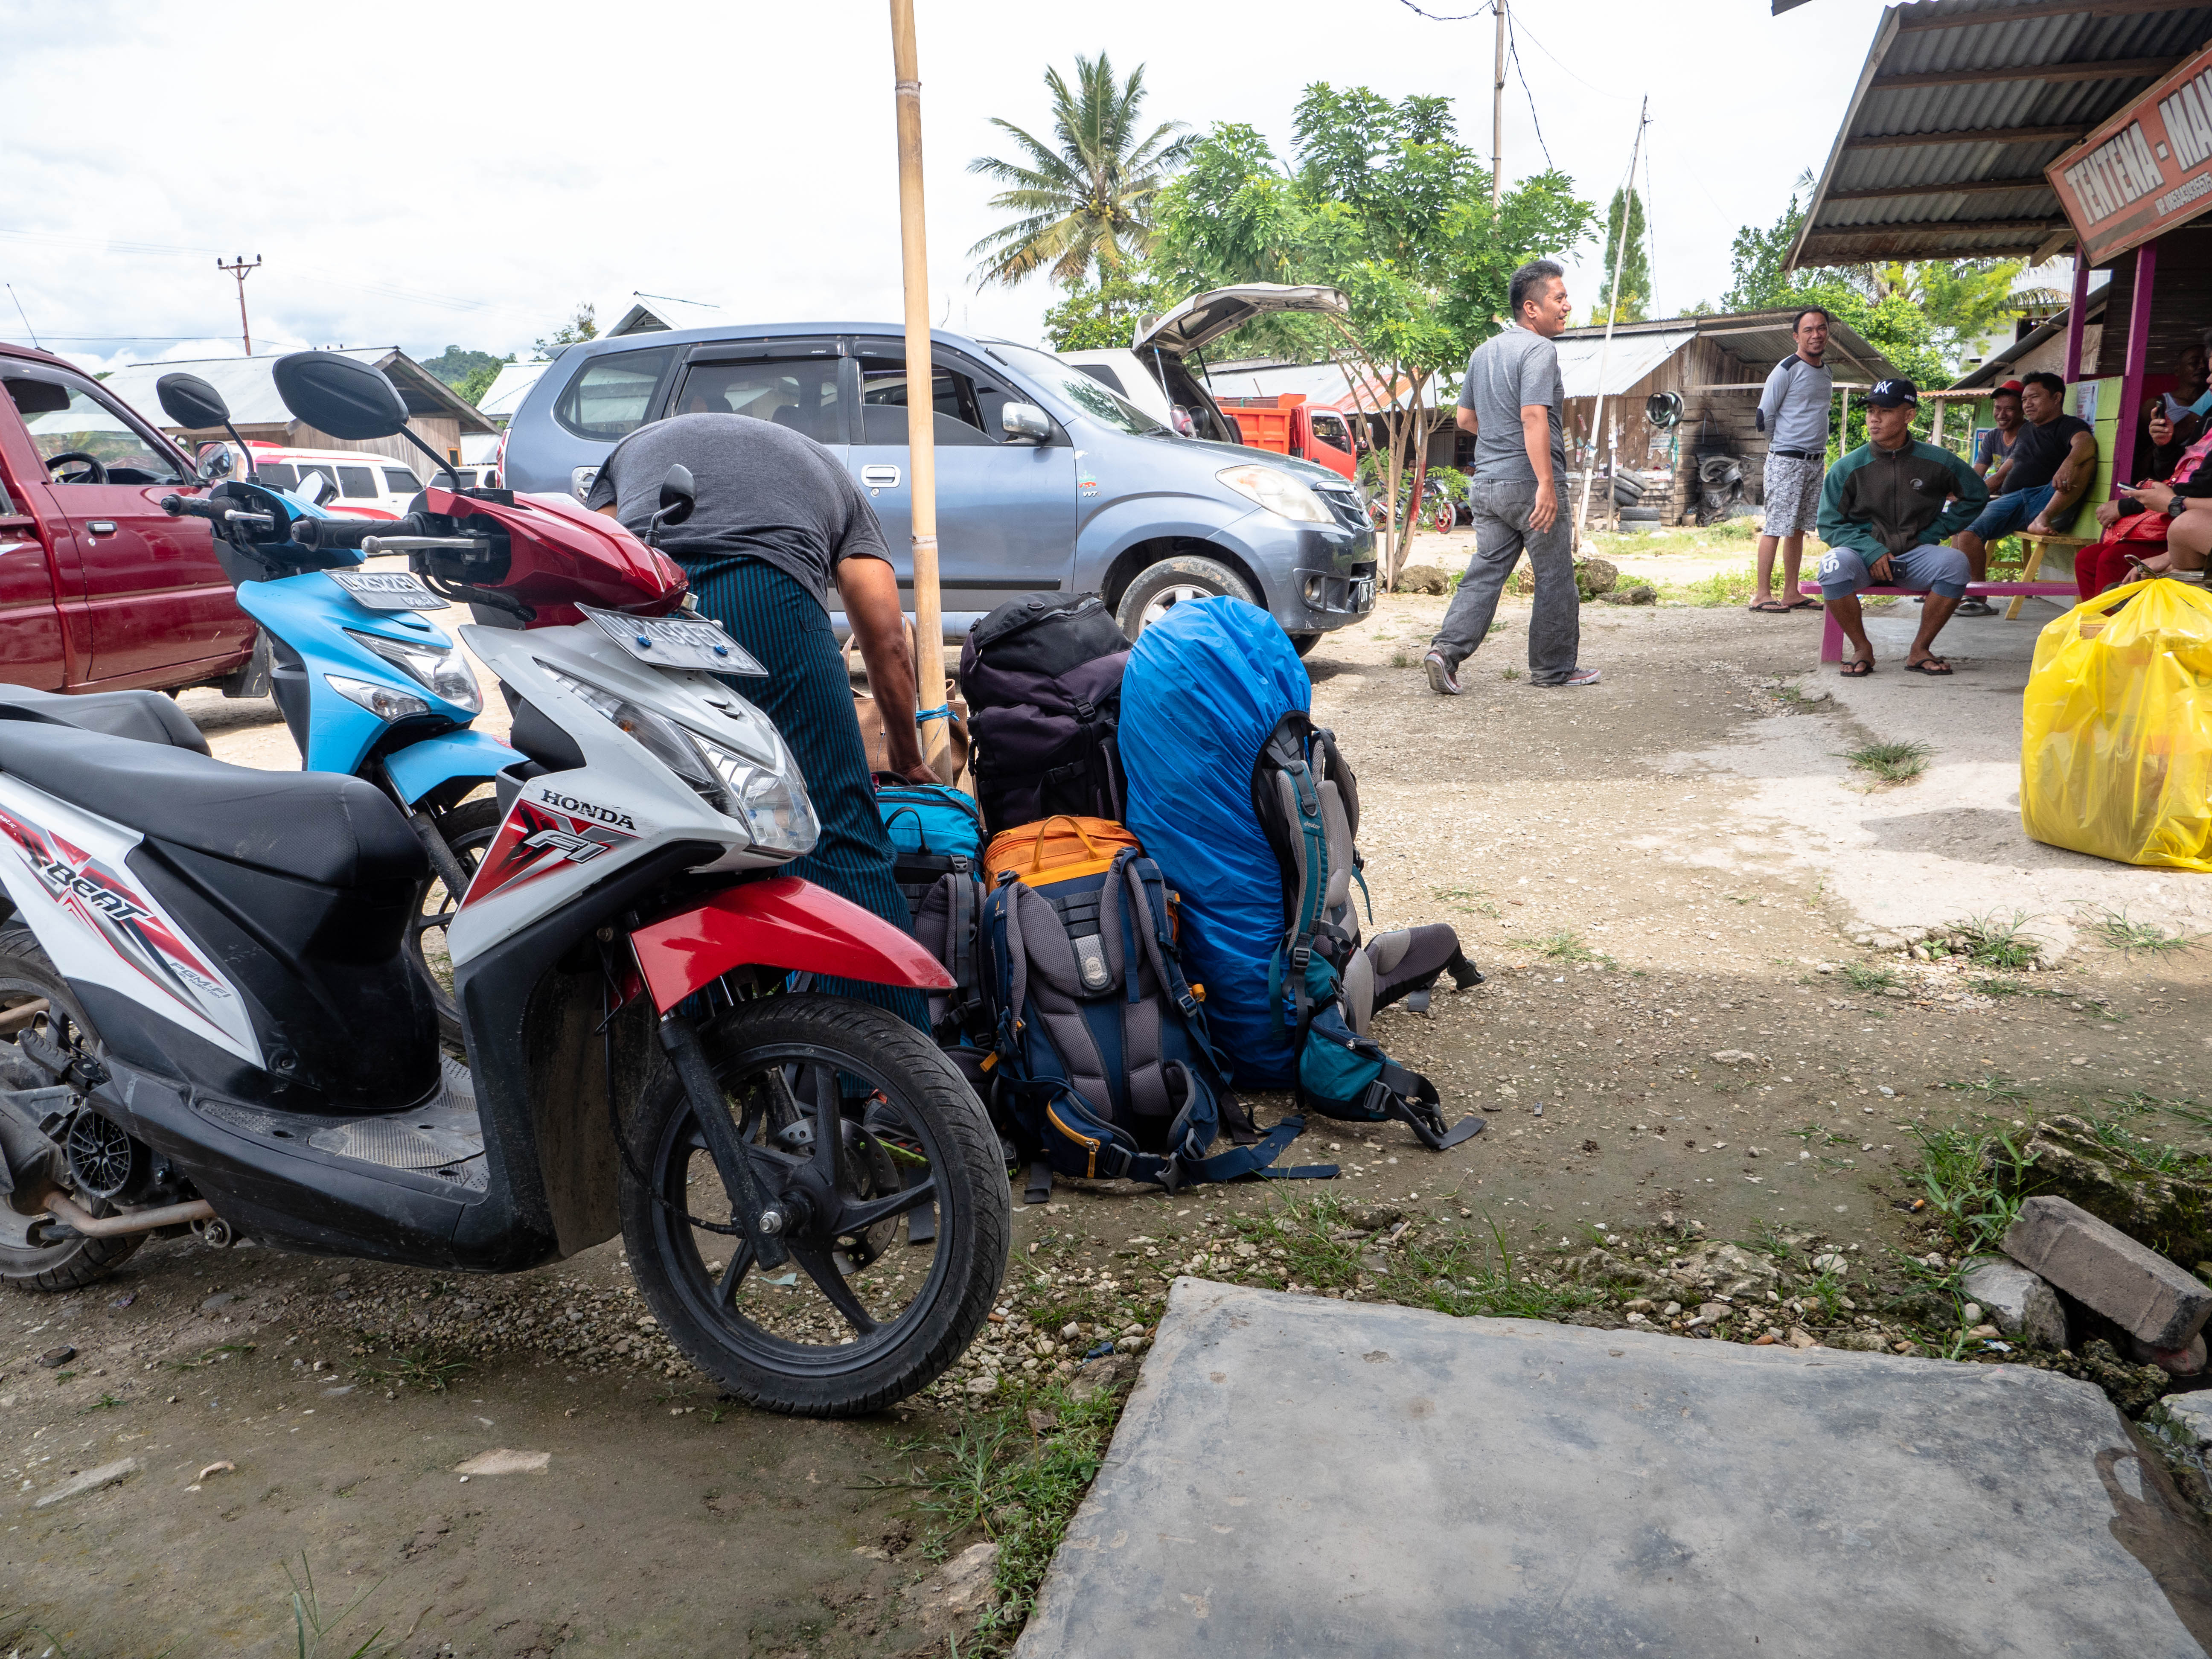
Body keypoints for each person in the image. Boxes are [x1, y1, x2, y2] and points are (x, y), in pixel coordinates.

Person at [587, 410, 935, 1030]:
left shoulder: (630, 450)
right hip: (766, 599)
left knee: (674, 836)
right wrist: (908, 760)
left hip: (645, 608)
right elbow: (887, 639)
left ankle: (701, 1056)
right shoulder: (833, 477)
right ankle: (889, 1067)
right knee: (836, 833)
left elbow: (594, 555)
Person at [1425, 258, 1599, 692]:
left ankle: (1445, 652)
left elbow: (1465, 419)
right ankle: (1553, 670)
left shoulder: (1483, 353)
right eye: (1560, 298)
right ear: (1532, 308)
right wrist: (1546, 484)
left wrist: (1501, 439)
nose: (1567, 306)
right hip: (1529, 485)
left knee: (1486, 572)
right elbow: (1533, 416)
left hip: (1487, 484)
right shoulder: (1539, 350)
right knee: (1555, 575)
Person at [1814, 379, 1988, 677]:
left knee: (1956, 563)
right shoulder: (1847, 467)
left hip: (1915, 554)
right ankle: (1862, 648)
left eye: (1885, 411)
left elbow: (1976, 495)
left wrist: (1933, 533)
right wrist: (1870, 550)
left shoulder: (1938, 461)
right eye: (1871, 411)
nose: (1874, 419)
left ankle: (1920, 649)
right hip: (1862, 557)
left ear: (1909, 415)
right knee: (1831, 566)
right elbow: (1828, 523)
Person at [1950, 370, 2096, 616]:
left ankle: (2042, 520)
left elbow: (2085, 443)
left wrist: (2069, 463)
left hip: (2045, 499)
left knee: (2086, 461)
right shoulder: (2027, 431)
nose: (2028, 404)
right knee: (1963, 526)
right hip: (2015, 500)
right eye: (2025, 399)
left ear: (2056, 398)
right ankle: (1964, 593)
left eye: (2035, 398)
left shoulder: (2068, 425)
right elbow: (2005, 470)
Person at [1748, 308, 1832, 615]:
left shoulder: (1826, 372)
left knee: (1798, 529)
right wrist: (1782, 446)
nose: (1816, 335)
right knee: (1776, 527)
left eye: (1821, 328)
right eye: (1808, 330)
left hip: (1815, 461)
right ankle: (1761, 595)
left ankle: (1791, 593)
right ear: (1797, 336)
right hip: (1786, 461)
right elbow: (1764, 416)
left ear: (1828, 333)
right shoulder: (1786, 369)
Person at [1974, 381, 2025, 487]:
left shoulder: (2030, 435)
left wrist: (1972, 494)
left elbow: (2000, 478)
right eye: (1998, 408)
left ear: (2023, 410)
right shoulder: (1992, 436)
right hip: (1996, 492)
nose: (2001, 415)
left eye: (2009, 409)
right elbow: (1976, 474)